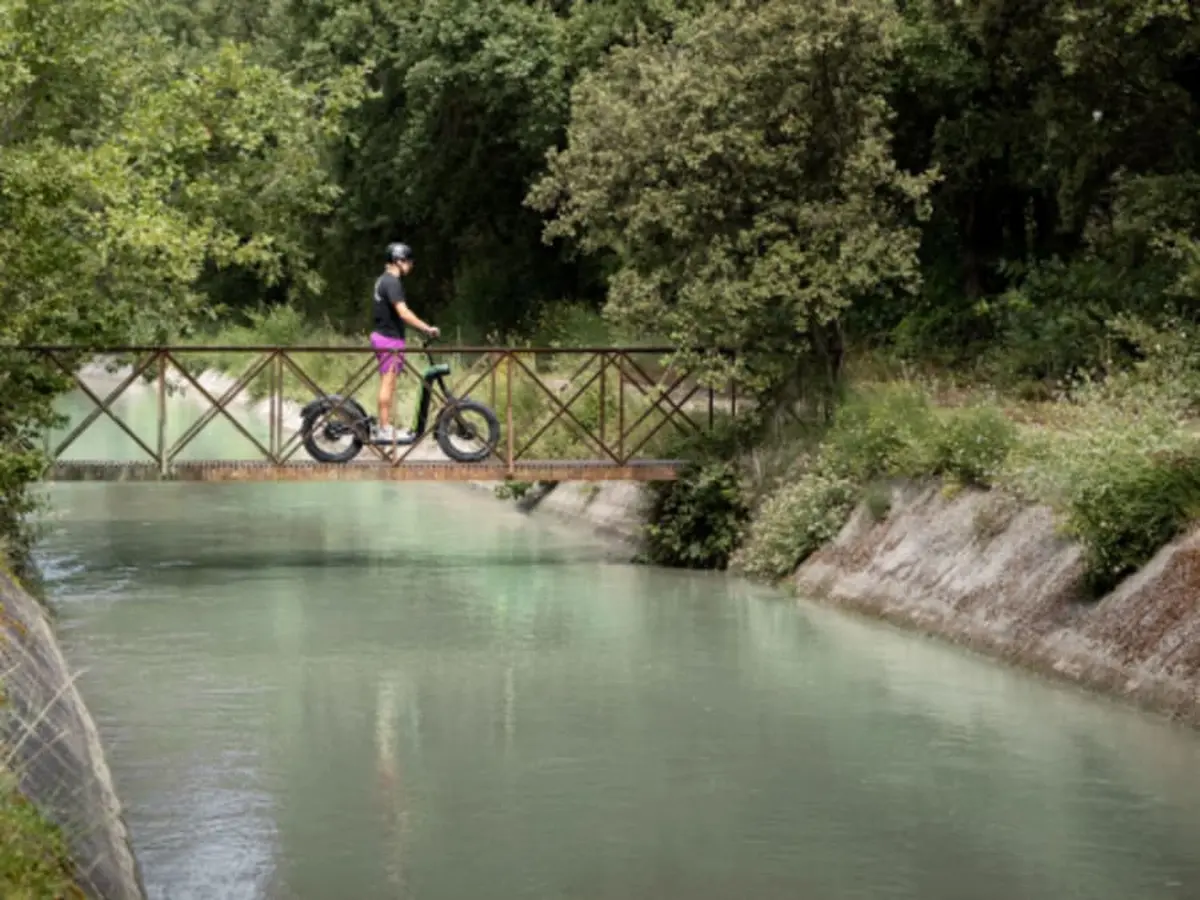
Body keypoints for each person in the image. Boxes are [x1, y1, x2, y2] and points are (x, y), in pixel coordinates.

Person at [370, 242, 439, 442]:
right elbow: (403, 312)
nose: (410, 265)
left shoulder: (382, 280)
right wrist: (427, 328)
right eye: (408, 261)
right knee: (388, 383)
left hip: (385, 338)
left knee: (389, 383)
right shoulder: (392, 282)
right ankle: (383, 429)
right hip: (389, 341)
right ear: (398, 261)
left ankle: (384, 426)